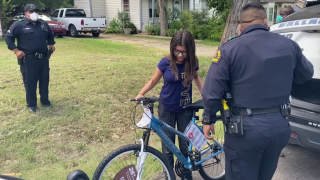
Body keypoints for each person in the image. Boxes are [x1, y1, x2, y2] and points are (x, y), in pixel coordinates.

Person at [201, 3, 313, 180]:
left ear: (240, 26)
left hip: (246, 131)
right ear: (265, 21)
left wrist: (208, 119)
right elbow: (306, 74)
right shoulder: (289, 45)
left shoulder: (229, 49)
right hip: (279, 126)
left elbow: (212, 90)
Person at [135, 30, 203, 180]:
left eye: (184, 52)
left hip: (185, 109)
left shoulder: (193, 62)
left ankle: (187, 175)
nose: (180, 55)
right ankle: (169, 175)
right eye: (177, 51)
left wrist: (206, 95)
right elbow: (153, 81)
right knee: (167, 148)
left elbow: (197, 78)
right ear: (172, 48)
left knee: (185, 146)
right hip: (166, 109)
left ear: (190, 51)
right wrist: (141, 93)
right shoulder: (165, 62)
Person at [5, 4, 55, 113]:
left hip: (44, 58)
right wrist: (16, 51)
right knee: (30, 82)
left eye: (35, 11)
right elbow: (8, 38)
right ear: (26, 13)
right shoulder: (18, 25)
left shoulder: (43, 24)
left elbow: (50, 35)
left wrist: (51, 43)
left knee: (44, 80)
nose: (34, 13)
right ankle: (32, 104)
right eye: (31, 11)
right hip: (28, 59)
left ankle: (45, 101)